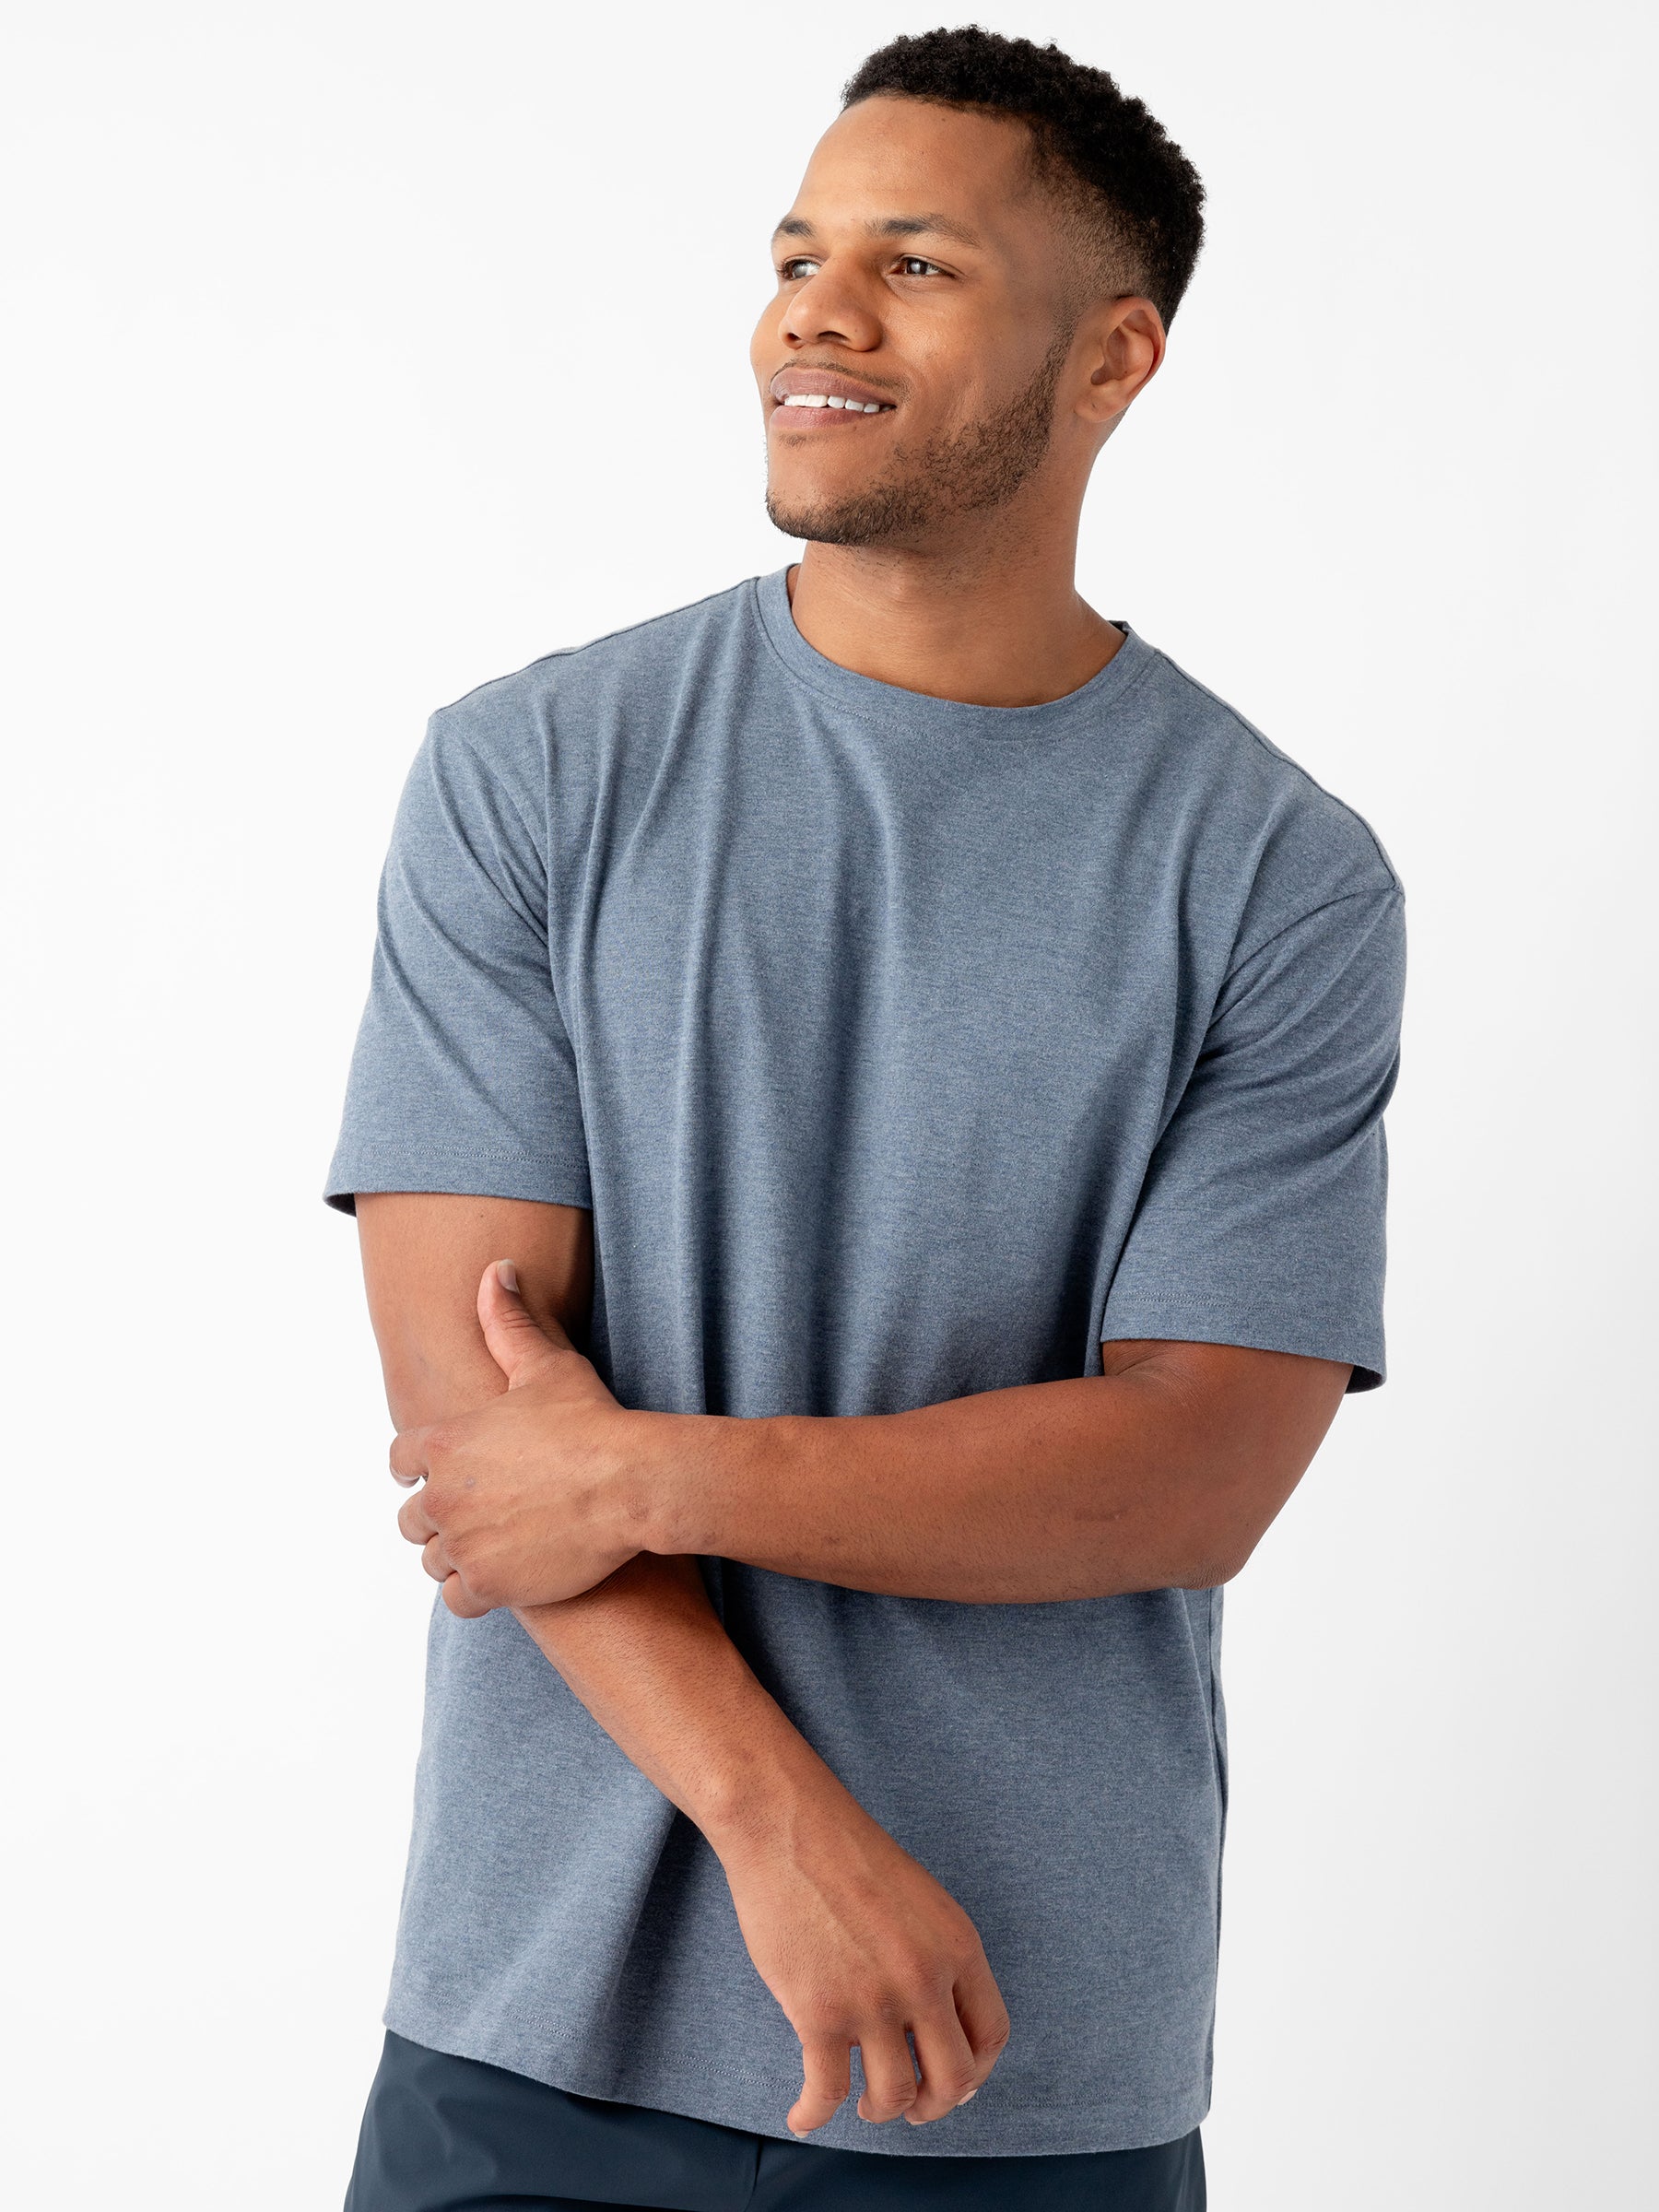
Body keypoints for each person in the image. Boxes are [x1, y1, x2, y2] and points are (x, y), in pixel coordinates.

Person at [325, 25, 1405, 2212]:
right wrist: (780, 1830)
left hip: (1022, 2059)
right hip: (541, 2024)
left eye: (914, 264)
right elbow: (480, 1427)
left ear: (1113, 360)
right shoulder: (531, 773)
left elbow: (1192, 1465)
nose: (816, 309)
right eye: (801, 252)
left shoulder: (1279, 876)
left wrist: (646, 1466)